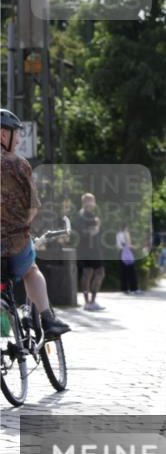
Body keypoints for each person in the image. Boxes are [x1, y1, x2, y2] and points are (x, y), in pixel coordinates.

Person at [0, 109, 70, 336]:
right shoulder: (19, 165)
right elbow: (33, 207)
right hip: (15, 246)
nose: (19, 140)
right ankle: (48, 319)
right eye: (16, 134)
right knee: (31, 270)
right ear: (3, 135)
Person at [74, 192, 106, 311]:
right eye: (91, 200)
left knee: (98, 273)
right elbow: (87, 233)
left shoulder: (90, 215)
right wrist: (97, 225)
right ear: (85, 202)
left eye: (93, 200)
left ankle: (91, 301)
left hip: (95, 249)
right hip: (87, 250)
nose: (93, 203)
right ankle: (88, 302)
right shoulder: (81, 215)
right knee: (88, 274)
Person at [117, 225, 140, 294]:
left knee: (125, 272)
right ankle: (133, 288)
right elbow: (126, 244)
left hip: (123, 253)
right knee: (131, 271)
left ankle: (125, 289)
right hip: (126, 253)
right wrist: (134, 247)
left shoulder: (119, 234)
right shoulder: (123, 234)